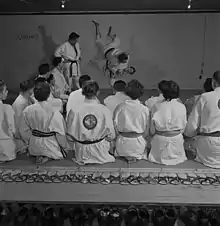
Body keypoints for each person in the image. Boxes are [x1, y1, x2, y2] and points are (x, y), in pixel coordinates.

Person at [67, 80, 115, 165]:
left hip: (81, 152)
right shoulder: (104, 110)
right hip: (100, 150)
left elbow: (69, 137)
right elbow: (111, 136)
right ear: (98, 92)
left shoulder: (74, 110)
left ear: (83, 92)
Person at [19, 82, 69, 164]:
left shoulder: (27, 110)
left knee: (37, 149)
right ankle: (47, 156)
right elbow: (60, 134)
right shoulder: (54, 112)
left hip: (34, 145)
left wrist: (31, 140)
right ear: (49, 94)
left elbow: (23, 130)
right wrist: (64, 147)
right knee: (59, 152)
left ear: (34, 95)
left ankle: (39, 154)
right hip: (51, 145)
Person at [184, 71, 220, 168]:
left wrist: (187, 136)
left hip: (209, 146)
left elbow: (192, 125)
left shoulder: (205, 97)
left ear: (214, 82)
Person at [148, 80, 187, 165]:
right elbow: (183, 128)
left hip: (160, 141)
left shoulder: (156, 106)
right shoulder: (182, 107)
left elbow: (152, 131)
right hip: (177, 140)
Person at [113, 79, 150, 163]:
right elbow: (146, 131)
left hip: (122, 143)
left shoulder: (120, 107)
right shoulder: (145, 109)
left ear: (126, 92)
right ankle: (135, 155)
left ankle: (126, 154)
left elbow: (115, 126)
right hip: (138, 144)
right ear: (141, 93)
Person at [92, 21, 134, 87]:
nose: (128, 70)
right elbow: (127, 55)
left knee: (98, 40)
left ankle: (97, 26)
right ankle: (110, 34)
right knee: (117, 40)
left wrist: (116, 71)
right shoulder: (123, 61)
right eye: (130, 69)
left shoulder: (117, 65)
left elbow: (110, 67)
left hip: (106, 50)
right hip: (112, 47)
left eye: (129, 71)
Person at [0, 80, 16, 162]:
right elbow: (13, 131)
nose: (7, 92)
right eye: (5, 90)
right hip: (6, 150)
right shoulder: (7, 108)